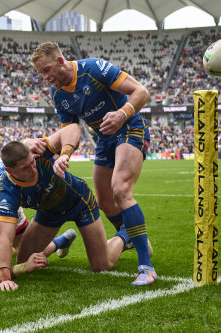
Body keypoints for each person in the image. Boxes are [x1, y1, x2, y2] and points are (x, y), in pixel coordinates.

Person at [30, 42, 156, 286]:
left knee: (120, 189)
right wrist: (65, 154)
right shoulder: (58, 95)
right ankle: (128, 234)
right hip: (104, 138)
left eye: (46, 70)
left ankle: (146, 267)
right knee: (106, 202)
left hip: (130, 127)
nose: (45, 78)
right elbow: (71, 129)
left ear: (60, 61)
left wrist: (122, 114)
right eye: (40, 74)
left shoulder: (94, 69)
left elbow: (141, 92)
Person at [0, 135, 132, 292]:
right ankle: (61, 242)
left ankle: (127, 232)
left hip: (80, 203)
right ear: (10, 170)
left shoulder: (40, 152)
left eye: (32, 162)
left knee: (101, 266)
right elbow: (5, 236)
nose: (32, 168)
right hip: (49, 213)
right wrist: (4, 278)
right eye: (25, 168)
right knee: (23, 263)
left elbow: (72, 130)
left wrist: (64, 154)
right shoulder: (8, 192)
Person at [0, 159, 78, 279]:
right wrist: (24, 267)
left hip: (9, 210)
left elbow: (18, 158)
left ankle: (61, 242)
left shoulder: (0, 177)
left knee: (26, 253)